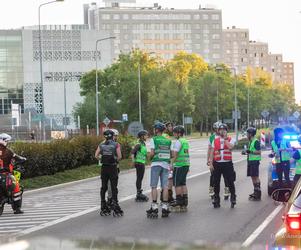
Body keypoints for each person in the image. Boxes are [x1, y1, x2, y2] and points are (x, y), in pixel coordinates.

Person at [95, 129, 123, 217]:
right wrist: (114, 160)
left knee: (103, 187)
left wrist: (102, 159)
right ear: (112, 135)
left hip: (104, 168)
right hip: (113, 167)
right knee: (114, 187)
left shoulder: (101, 144)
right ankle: (115, 205)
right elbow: (120, 157)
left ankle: (103, 205)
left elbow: (96, 155)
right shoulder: (116, 144)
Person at [147, 122, 172, 218]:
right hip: (165, 165)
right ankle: (165, 207)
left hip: (156, 164)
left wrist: (149, 158)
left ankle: (154, 207)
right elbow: (172, 154)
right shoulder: (168, 140)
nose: (154, 130)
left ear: (157, 130)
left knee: (154, 186)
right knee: (165, 186)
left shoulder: (154, 139)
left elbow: (152, 153)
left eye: (154, 128)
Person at [209, 123, 236, 208]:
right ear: (218, 131)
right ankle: (216, 199)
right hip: (217, 163)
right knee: (216, 182)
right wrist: (210, 163)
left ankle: (233, 197)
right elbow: (212, 152)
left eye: (224, 130)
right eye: (220, 130)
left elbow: (230, 147)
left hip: (227, 163)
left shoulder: (231, 139)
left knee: (230, 181)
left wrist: (225, 139)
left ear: (226, 131)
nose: (222, 131)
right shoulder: (215, 140)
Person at [0, 133, 26, 214]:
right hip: (5, 174)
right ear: (4, 141)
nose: (8, 143)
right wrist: (24, 159)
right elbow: (18, 158)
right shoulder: (8, 151)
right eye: (7, 141)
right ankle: (17, 209)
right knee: (17, 188)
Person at [207, 122, 230, 200]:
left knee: (225, 176)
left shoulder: (226, 137)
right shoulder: (212, 137)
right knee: (213, 176)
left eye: (219, 129)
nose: (218, 130)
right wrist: (209, 160)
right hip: (214, 159)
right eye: (217, 129)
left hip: (224, 160)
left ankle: (227, 190)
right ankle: (211, 190)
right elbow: (209, 149)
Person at [170, 125, 190, 212]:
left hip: (179, 165)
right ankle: (185, 202)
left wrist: (171, 163)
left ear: (178, 133)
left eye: (174, 133)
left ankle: (179, 201)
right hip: (186, 164)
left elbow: (175, 154)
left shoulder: (178, 141)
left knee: (177, 183)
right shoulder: (185, 141)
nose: (173, 134)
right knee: (183, 183)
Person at [243, 127, 262, 201]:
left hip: (254, 161)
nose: (247, 135)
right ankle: (255, 191)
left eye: (247, 133)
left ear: (250, 134)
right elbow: (250, 151)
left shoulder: (256, 141)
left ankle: (258, 193)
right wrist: (246, 152)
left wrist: (250, 152)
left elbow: (259, 152)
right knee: (252, 176)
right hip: (250, 161)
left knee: (255, 177)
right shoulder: (250, 141)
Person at [131, 129, 149, 202]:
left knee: (140, 178)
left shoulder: (143, 144)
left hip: (142, 163)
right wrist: (133, 162)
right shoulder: (138, 144)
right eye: (146, 135)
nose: (147, 136)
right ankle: (138, 194)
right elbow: (132, 153)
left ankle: (139, 193)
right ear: (142, 136)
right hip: (139, 163)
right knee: (139, 178)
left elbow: (144, 153)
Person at [106, 129, 121, 209]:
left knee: (112, 185)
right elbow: (119, 157)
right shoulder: (115, 144)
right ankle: (110, 200)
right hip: (111, 167)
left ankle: (111, 199)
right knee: (110, 185)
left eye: (116, 136)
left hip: (112, 167)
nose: (116, 137)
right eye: (115, 136)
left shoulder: (103, 144)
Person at [163, 121, 175, 203]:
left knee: (165, 179)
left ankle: (164, 198)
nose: (171, 128)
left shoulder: (162, 135)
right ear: (166, 128)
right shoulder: (166, 136)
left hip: (163, 159)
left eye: (171, 126)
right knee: (169, 179)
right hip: (166, 160)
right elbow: (169, 149)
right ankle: (169, 197)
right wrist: (172, 160)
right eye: (170, 126)